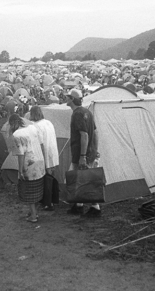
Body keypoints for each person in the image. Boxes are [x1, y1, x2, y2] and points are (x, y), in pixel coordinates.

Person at [65, 89, 101, 217]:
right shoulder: (87, 111)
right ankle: (79, 205)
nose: (66, 99)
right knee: (81, 179)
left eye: (68, 97)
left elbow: (84, 135)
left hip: (81, 153)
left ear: (72, 99)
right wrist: (95, 150)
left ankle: (95, 207)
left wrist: (82, 156)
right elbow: (95, 132)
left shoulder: (77, 114)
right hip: (89, 152)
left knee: (85, 180)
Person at [9, 114, 45, 223]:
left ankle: (33, 215)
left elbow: (21, 154)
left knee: (29, 191)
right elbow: (41, 144)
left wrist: (20, 170)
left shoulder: (17, 134)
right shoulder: (33, 128)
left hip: (29, 164)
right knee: (37, 189)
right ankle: (34, 212)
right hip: (39, 161)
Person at [29, 106, 59, 211]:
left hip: (45, 153)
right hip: (53, 151)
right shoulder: (48, 122)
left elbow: (40, 144)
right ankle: (53, 199)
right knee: (52, 177)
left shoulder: (35, 126)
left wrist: (41, 160)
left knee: (46, 179)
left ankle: (47, 202)